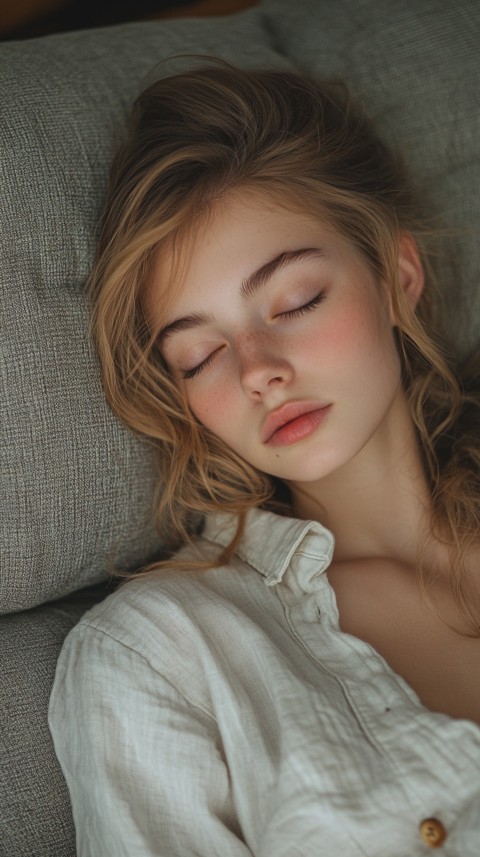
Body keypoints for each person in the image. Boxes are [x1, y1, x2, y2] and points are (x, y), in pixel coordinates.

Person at [49, 61, 480, 855]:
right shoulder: (161, 655)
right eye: (199, 354)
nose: (257, 369)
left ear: (396, 277)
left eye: (295, 301)